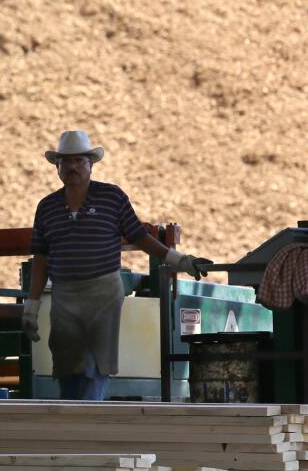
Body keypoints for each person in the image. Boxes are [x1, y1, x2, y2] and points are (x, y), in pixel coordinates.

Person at [22, 130, 211, 401]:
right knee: (66, 367)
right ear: (57, 167)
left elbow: (140, 237)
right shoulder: (47, 207)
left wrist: (180, 261)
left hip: (102, 294)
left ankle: (87, 429)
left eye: (79, 160)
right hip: (64, 294)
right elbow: (40, 259)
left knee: (92, 364)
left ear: (91, 164)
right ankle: (74, 429)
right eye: (66, 161)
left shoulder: (111, 197)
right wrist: (31, 307)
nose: (73, 167)